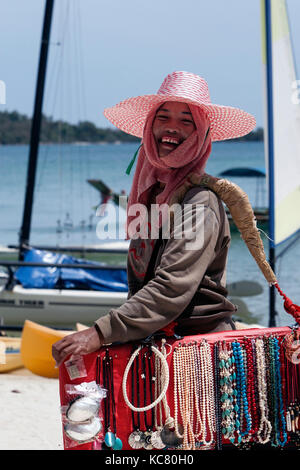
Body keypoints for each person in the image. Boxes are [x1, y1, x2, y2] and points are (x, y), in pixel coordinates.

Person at [52, 71, 256, 366]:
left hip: (197, 352)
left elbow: (172, 286)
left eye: (186, 120)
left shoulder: (200, 202)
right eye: (163, 117)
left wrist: (100, 332)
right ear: (149, 126)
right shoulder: (150, 192)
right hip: (157, 345)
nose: (172, 128)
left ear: (201, 133)